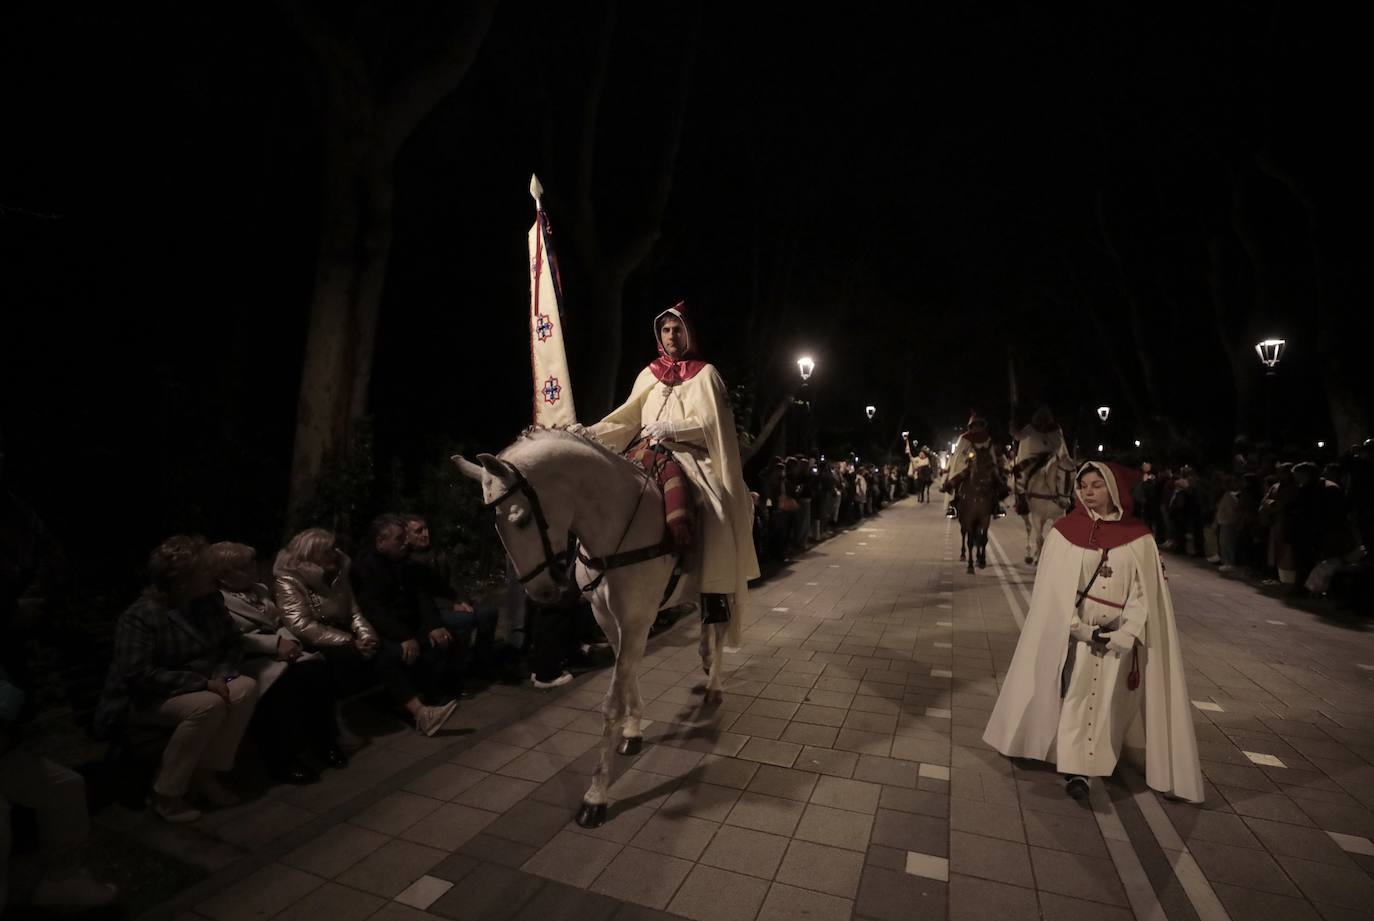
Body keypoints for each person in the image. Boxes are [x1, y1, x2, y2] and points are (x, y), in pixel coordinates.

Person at [983, 461, 1202, 803]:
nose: (1087, 490)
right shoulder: (1063, 533)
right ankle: (1076, 771)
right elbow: (1054, 594)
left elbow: (1145, 593)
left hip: (1120, 637)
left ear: (1114, 490)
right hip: (1078, 637)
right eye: (1083, 484)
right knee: (1076, 695)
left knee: (1110, 702)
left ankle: (1101, 756)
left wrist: (1127, 632)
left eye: (1096, 485)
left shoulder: (1140, 539)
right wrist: (1080, 630)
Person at [585, 303, 759, 652]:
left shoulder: (706, 374)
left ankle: (713, 588)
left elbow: (715, 425)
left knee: (716, 509)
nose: (671, 336)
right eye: (665, 330)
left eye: (677, 329)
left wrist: (674, 428)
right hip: (645, 452)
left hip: (690, 454)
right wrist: (588, 435)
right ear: (658, 335)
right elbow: (626, 419)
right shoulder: (648, 374)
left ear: (688, 333)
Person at [1, 446, 118, 910]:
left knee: (64, 787)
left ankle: (63, 881)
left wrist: (24, 607)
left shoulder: (15, 511)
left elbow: (49, 561)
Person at [94, 536, 260, 823]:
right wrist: (202, 682)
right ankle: (166, 794)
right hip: (143, 699)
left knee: (244, 687)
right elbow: (137, 675)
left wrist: (221, 673)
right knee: (208, 705)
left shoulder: (208, 601)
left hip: (200, 686)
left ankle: (204, 775)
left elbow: (232, 643)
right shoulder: (142, 616)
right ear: (183, 580)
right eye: (206, 570)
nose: (213, 575)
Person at [274, 528, 457, 738]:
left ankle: (421, 711)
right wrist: (350, 641)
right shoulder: (289, 580)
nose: (335, 553)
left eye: (334, 548)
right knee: (356, 658)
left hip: (344, 632)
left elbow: (353, 610)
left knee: (382, 650)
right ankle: (340, 726)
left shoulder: (338, 570)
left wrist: (366, 637)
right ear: (310, 555)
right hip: (314, 638)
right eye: (327, 550)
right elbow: (301, 623)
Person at [208, 542, 345, 784]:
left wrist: (288, 642)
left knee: (316, 671)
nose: (252, 569)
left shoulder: (259, 590)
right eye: (243, 567)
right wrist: (274, 645)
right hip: (250, 659)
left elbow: (280, 620)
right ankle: (283, 761)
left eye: (251, 563)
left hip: (285, 650)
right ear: (224, 576)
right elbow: (232, 638)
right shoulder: (216, 602)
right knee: (280, 689)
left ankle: (325, 743)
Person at [401, 514, 500, 683]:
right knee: (464, 620)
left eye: (426, 529)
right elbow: (422, 596)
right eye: (418, 531)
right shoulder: (408, 562)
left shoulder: (437, 551)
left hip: (452, 602)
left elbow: (454, 579)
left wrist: (462, 600)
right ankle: (456, 671)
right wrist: (451, 605)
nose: (425, 534)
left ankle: (482, 662)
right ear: (407, 536)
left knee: (489, 613)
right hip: (435, 610)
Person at [942, 414, 1007, 518]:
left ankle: (997, 506)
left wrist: (992, 465)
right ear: (971, 426)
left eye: (980, 425)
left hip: (985, 466)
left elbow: (991, 454)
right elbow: (959, 455)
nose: (978, 427)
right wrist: (967, 460)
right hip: (967, 466)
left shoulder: (987, 439)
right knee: (957, 481)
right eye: (975, 425)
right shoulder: (964, 438)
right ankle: (953, 505)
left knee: (996, 481)